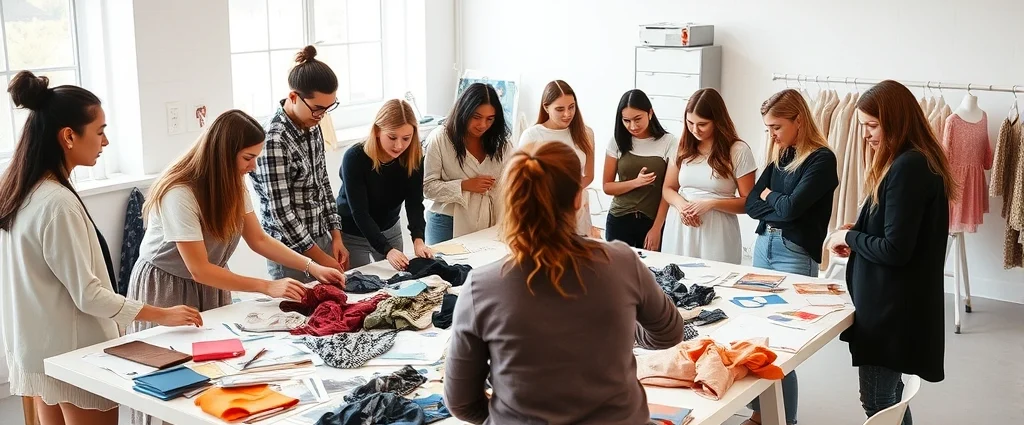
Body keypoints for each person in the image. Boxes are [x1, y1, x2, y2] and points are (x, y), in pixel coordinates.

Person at [0, 71, 201, 425]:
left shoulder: (19, 190)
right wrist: (163, 314)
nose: (105, 142)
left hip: (39, 351)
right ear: (68, 136)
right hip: (76, 354)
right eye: (100, 131)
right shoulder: (56, 203)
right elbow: (89, 295)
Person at [126, 110, 345, 425]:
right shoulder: (180, 193)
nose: (253, 166)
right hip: (166, 286)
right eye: (248, 158)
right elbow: (199, 268)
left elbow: (259, 240)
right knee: (170, 381)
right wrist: (266, 285)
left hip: (210, 284)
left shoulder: (234, 184)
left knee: (217, 375)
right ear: (222, 155)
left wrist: (312, 266)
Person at [443, 141, 685, 424]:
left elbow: (460, 402)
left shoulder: (480, 287)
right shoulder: (622, 262)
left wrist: (510, 414)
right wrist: (619, 331)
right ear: (577, 199)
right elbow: (669, 333)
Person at [826, 80, 957, 425]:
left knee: (879, 401)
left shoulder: (908, 167)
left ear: (896, 121)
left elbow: (896, 249)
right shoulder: (912, 162)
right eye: (862, 126)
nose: (866, 135)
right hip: (893, 307)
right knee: (889, 398)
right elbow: (895, 232)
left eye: (872, 126)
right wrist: (858, 232)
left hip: (890, 312)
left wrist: (848, 238)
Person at [742, 89, 839, 425]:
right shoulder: (782, 155)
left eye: (776, 127)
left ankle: (785, 420)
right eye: (768, 128)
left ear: (799, 120)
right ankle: (759, 415)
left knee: (783, 346)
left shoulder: (822, 160)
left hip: (794, 254)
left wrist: (774, 198)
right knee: (758, 337)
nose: (772, 134)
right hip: (763, 248)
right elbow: (752, 203)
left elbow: (791, 209)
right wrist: (775, 199)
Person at [250, 45, 349, 279]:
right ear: (294, 97)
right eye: (317, 108)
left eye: (328, 108)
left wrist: (336, 235)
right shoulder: (273, 140)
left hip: (321, 237)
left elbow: (323, 182)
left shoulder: (311, 122)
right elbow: (282, 213)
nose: (322, 115)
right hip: (289, 253)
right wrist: (321, 259)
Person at [661, 88, 756, 263]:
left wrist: (711, 204)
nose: (695, 130)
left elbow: (749, 203)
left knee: (717, 284)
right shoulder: (682, 147)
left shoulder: (738, 151)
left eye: (702, 124)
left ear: (717, 121)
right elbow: (668, 188)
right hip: (680, 228)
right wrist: (682, 206)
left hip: (717, 233)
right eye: (690, 123)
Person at [337, 99, 433, 269]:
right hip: (353, 233)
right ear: (377, 131)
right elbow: (359, 212)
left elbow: (415, 203)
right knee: (360, 285)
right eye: (392, 137)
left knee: (398, 280)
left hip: (389, 229)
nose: (399, 145)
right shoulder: (354, 157)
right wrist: (387, 250)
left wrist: (418, 240)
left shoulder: (414, 158)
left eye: (406, 138)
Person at [423, 82, 512, 243]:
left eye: (490, 119)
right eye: (476, 117)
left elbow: (511, 185)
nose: (483, 125)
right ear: (464, 111)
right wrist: (464, 185)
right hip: (447, 221)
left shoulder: (502, 144)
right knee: (441, 267)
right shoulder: (440, 139)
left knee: (483, 267)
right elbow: (427, 188)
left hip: (490, 221)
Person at [518, 79, 596, 237]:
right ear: (546, 107)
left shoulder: (586, 133)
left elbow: (589, 175)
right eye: (560, 109)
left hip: (577, 208)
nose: (567, 114)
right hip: (545, 211)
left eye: (571, 107)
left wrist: (572, 192)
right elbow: (522, 181)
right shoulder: (532, 135)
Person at [602, 89, 677, 250]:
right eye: (626, 120)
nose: (633, 126)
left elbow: (668, 189)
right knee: (618, 274)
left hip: (651, 222)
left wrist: (657, 228)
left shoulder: (668, 142)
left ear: (650, 113)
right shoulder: (617, 141)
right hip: (618, 220)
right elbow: (607, 186)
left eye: (637, 119)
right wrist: (635, 183)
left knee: (652, 273)